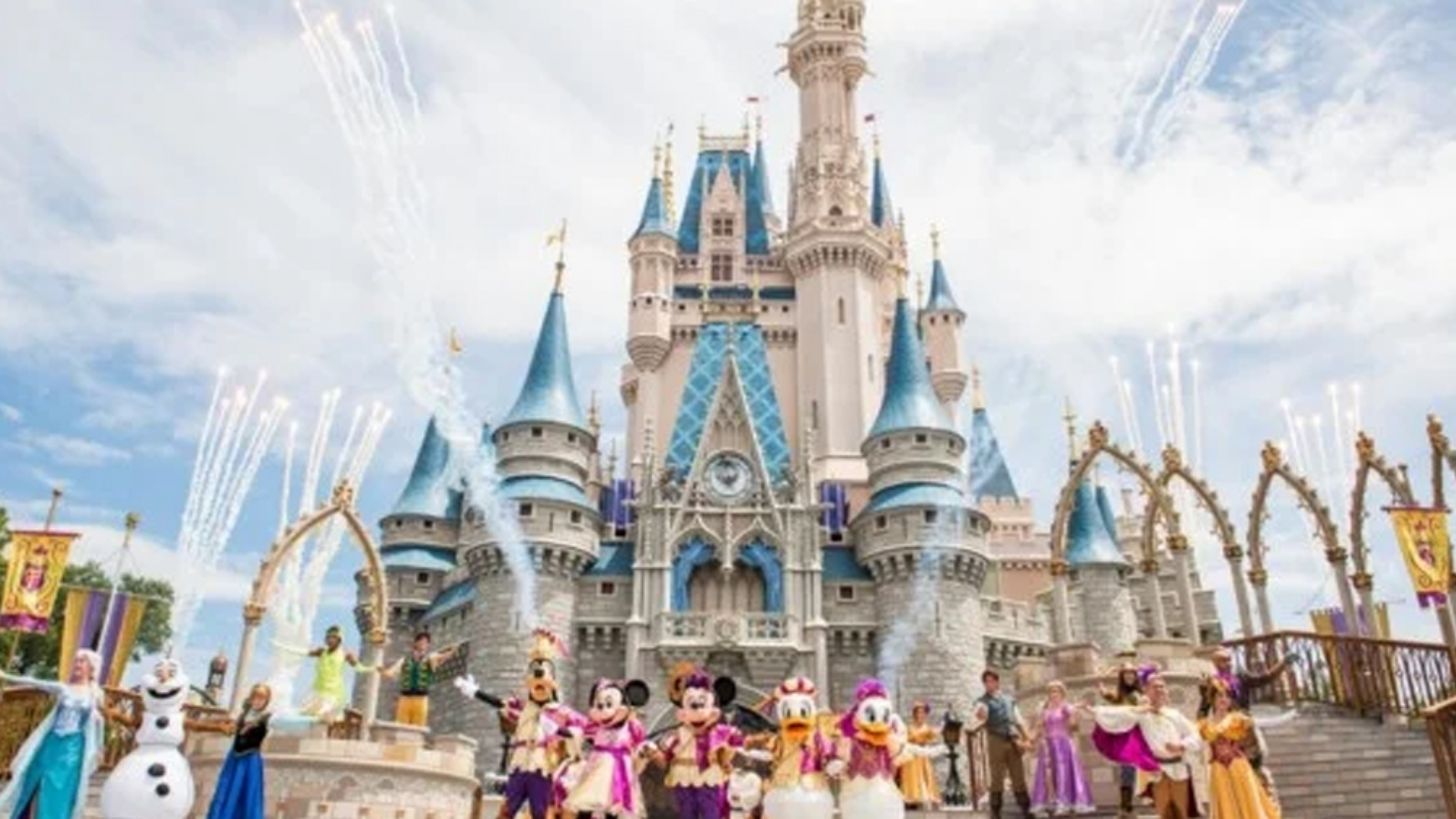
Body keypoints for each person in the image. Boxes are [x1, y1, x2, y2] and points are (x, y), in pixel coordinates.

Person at [454, 628, 583, 819]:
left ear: (553, 682)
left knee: (540, 812)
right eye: (534, 672)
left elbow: (581, 730)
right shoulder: (523, 709)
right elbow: (499, 704)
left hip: (542, 766)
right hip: (520, 764)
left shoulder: (560, 711)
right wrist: (475, 692)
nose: (538, 678)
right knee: (507, 810)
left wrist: (559, 730)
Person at [0, 648, 107, 819]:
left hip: (73, 748)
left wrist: (100, 747)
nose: (77, 664)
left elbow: (99, 722)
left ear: (91, 667)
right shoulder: (64, 688)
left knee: (60, 787)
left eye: (82, 661)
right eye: (76, 661)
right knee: (37, 778)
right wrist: (6, 676)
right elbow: (35, 682)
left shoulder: (95, 694)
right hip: (51, 743)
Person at [1085, 672, 1202, 819]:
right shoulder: (1141, 714)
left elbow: (1196, 735)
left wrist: (1182, 745)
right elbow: (1119, 715)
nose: (1159, 690)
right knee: (1164, 812)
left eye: (1162, 687)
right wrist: (1095, 711)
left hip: (1179, 769)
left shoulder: (1174, 714)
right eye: (1155, 687)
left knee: (1182, 812)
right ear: (1146, 691)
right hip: (1158, 771)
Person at [1199, 683, 1280, 819]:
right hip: (1218, 770)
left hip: (1238, 766)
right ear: (1212, 699)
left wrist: (1255, 762)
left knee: (1248, 802)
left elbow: (1253, 742)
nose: (1224, 699)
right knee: (1225, 804)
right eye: (1220, 696)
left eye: (1227, 696)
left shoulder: (1238, 719)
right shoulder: (1205, 724)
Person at [205, 683, 273, 819]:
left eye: (262, 698)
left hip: (250, 759)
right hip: (234, 758)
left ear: (266, 701)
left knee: (247, 794)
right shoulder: (243, 715)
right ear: (251, 698)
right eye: (256, 697)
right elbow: (232, 728)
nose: (258, 701)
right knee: (227, 789)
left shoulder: (266, 718)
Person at [1028, 681, 1095, 816]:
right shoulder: (1045, 710)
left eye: (1056, 691)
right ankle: (1050, 802)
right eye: (1051, 691)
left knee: (1063, 773)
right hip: (1048, 746)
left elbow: (1073, 727)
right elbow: (1038, 727)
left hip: (1063, 744)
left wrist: (1073, 715)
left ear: (1062, 693)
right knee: (1047, 775)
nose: (1053, 694)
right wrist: (1029, 740)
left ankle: (1064, 802)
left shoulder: (1066, 707)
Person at [973, 669, 1032, 819]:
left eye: (992, 681)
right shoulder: (982, 701)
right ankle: (995, 812)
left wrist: (1027, 738)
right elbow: (979, 713)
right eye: (986, 682)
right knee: (997, 777)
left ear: (997, 682)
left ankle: (1026, 809)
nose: (989, 684)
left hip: (1013, 739)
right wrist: (980, 715)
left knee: (1018, 775)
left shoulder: (1009, 699)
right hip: (995, 740)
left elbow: (1018, 720)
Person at [281, 625, 372, 722]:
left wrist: (373, 669)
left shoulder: (345, 654)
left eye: (333, 637)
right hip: (318, 690)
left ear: (339, 640)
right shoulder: (322, 651)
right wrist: (285, 647)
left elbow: (359, 667)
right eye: (328, 637)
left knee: (325, 716)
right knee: (307, 713)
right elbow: (304, 652)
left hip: (333, 693)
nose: (330, 640)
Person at [377, 631, 458, 727]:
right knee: (401, 726)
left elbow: (444, 657)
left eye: (426, 642)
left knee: (418, 728)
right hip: (405, 698)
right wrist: (383, 671)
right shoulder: (404, 660)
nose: (423, 643)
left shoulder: (431, 658)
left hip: (421, 698)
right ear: (416, 643)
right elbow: (390, 673)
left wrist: (453, 650)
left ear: (428, 645)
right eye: (421, 641)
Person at [1099, 661, 1147, 817]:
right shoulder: (1119, 696)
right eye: (1126, 674)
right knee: (1127, 771)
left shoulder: (1141, 694)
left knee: (1144, 770)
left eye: (1131, 674)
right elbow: (1102, 689)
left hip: (1141, 735)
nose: (1129, 676)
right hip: (1126, 738)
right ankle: (1126, 808)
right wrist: (1107, 673)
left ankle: (1130, 807)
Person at [896, 702, 942, 809]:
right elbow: (904, 740)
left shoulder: (927, 728)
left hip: (923, 756)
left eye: (922, 713)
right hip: (911, 756)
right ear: (914, 714)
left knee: (925, 775)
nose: (920, 715)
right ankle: (911, 798)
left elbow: (935, 734)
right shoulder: (909, 728)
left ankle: (925, 798)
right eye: (918, 712)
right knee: (911, 775)